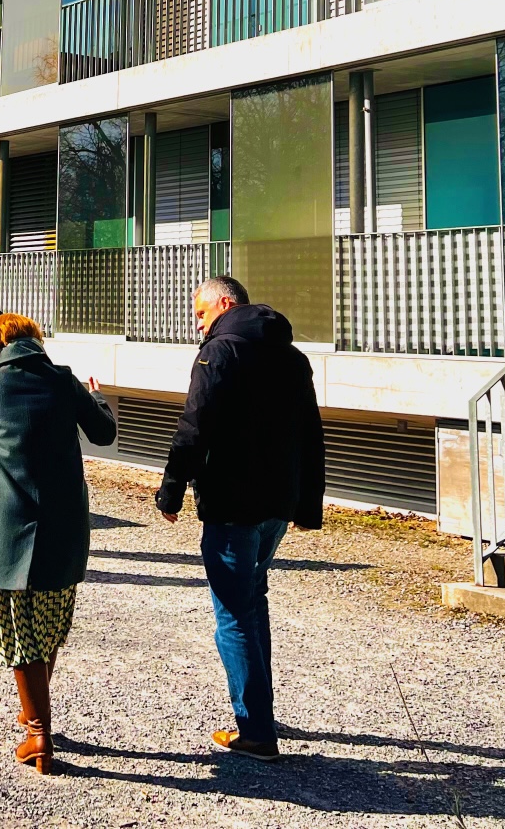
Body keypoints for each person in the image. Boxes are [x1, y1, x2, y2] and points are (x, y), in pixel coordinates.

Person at [155, 276, 325, 763]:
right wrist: (307, 504)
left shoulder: (219, 353)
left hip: (232, 504)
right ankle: (259, 713)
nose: (198, 323)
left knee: (233, 612)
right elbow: (310, 434)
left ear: (224, 304)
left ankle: (254, 732)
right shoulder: (293, 358)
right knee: (253, 601)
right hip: (276, 504)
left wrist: (170, 492)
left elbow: (194, 426)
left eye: (200, 313)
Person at [0, 313, 117, 776]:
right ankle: (35, 719)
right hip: (65, 522)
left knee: (17, 626)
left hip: (11, 523)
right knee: (48, 623)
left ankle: (37, 734)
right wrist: (96, 396)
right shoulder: (64, 381)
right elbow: (104, 433)